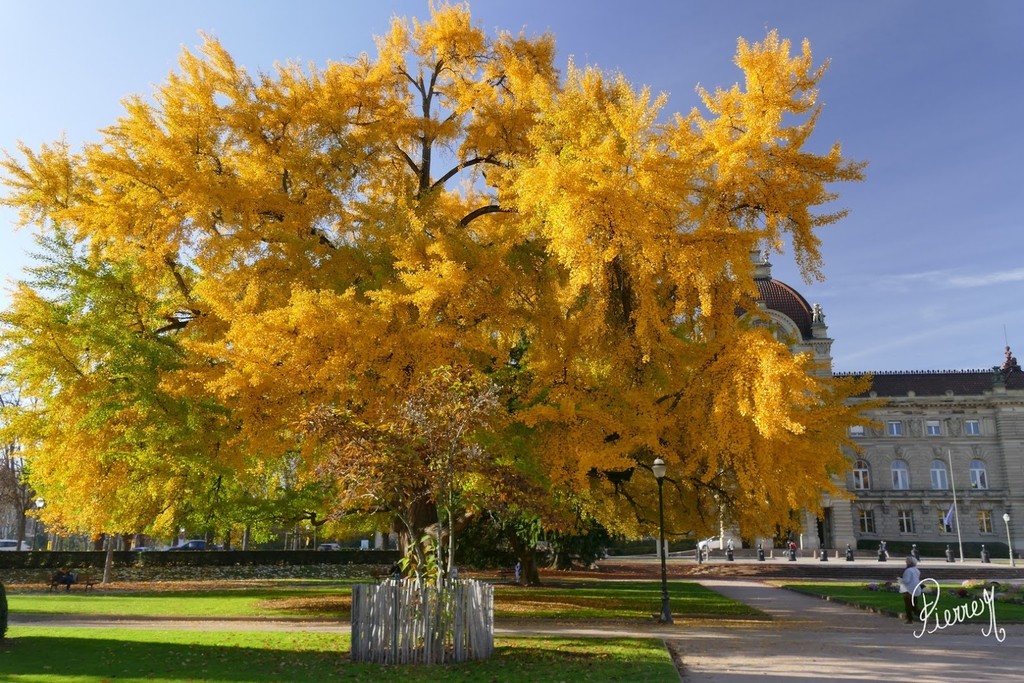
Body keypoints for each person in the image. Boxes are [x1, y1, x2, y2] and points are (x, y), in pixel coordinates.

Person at [898, 555, 922, 623]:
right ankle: (922, 616)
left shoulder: (908, 570)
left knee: (908, 605)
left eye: (907, 561)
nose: (906, 562)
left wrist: (900, 580)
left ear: (910, 562)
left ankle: (910, 619)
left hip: (908, 590)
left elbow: (907, 580)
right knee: (913, 605)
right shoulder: (916, 570)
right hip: (915, 589)